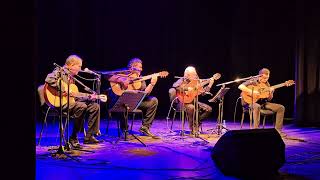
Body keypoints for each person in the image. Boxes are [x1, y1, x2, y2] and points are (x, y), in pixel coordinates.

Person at [45, 54, 102, 148]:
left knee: (95, 106)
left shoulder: (71, 77)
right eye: (79, 66)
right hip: (59, 104)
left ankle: (89, 136)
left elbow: (73, 95)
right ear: (71, 65)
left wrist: (89, 96)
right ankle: (73, 138)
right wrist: (63, 89)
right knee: (81, 106)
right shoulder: (59, 71)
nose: (80, 69)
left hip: (71, 103)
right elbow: (49, 79)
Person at [107, 58, 160, 139]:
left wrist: (152, 84)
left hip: (135, 103)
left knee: (153, 100)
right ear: (131, 67)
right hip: (120, 102)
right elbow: (108, 76)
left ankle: (145, 128)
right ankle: (124, 129)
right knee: (125, 100)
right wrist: (122, 80)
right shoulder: (122, 73)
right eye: (139, 67)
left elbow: (145, 94)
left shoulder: (141, 79)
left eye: (141, 67)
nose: (141, 69)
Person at [238, 68, 286, 136]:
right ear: (259, 76)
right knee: (257, 106)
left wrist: (271, 92)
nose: (266, 80)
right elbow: (240, 86)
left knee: (281, 108)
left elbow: (269, 99)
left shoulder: (267, 84)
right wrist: (252, 92)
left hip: (262, 103)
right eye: (264, 78)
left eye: (267, 78)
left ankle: (278, 131)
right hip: (249, 103)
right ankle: (256, 131)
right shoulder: (253, 80)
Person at [170, 66, 217, 136]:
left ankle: (196, 124)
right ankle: (192, 129)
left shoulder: (196, 81)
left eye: (195, 74)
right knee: (191, 108)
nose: (196, 75)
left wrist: (210, 84)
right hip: (182, 102)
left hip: (192, 100)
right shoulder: (182, 80)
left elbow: (203, 92)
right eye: (194, 74)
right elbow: (174, 86)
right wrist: (187, 89)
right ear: (187, 75)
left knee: (208, 109)